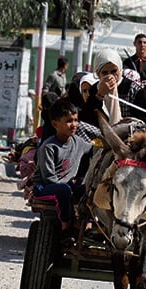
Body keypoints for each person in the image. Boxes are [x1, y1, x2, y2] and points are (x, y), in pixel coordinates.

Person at [31, 98, 94, 245]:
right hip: (46, 188)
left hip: (67, 186)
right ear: (55, 124)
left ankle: (89, 226)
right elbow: (48, 178)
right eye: (69, 121)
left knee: (91, 190)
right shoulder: (49, 147)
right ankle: (66, 228)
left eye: (76, 120)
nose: (74, 125)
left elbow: (94, 148)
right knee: (64, 190)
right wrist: (70, 189)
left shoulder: (78, 142)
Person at [80, 49, 146, 129]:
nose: (110, 76)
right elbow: (86, 116)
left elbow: (144, 119)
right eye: (105, 73)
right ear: (98, 74)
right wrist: (99, 95)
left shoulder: (133, 89)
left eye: (114, 71)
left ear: (120, 70)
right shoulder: (95, 89)